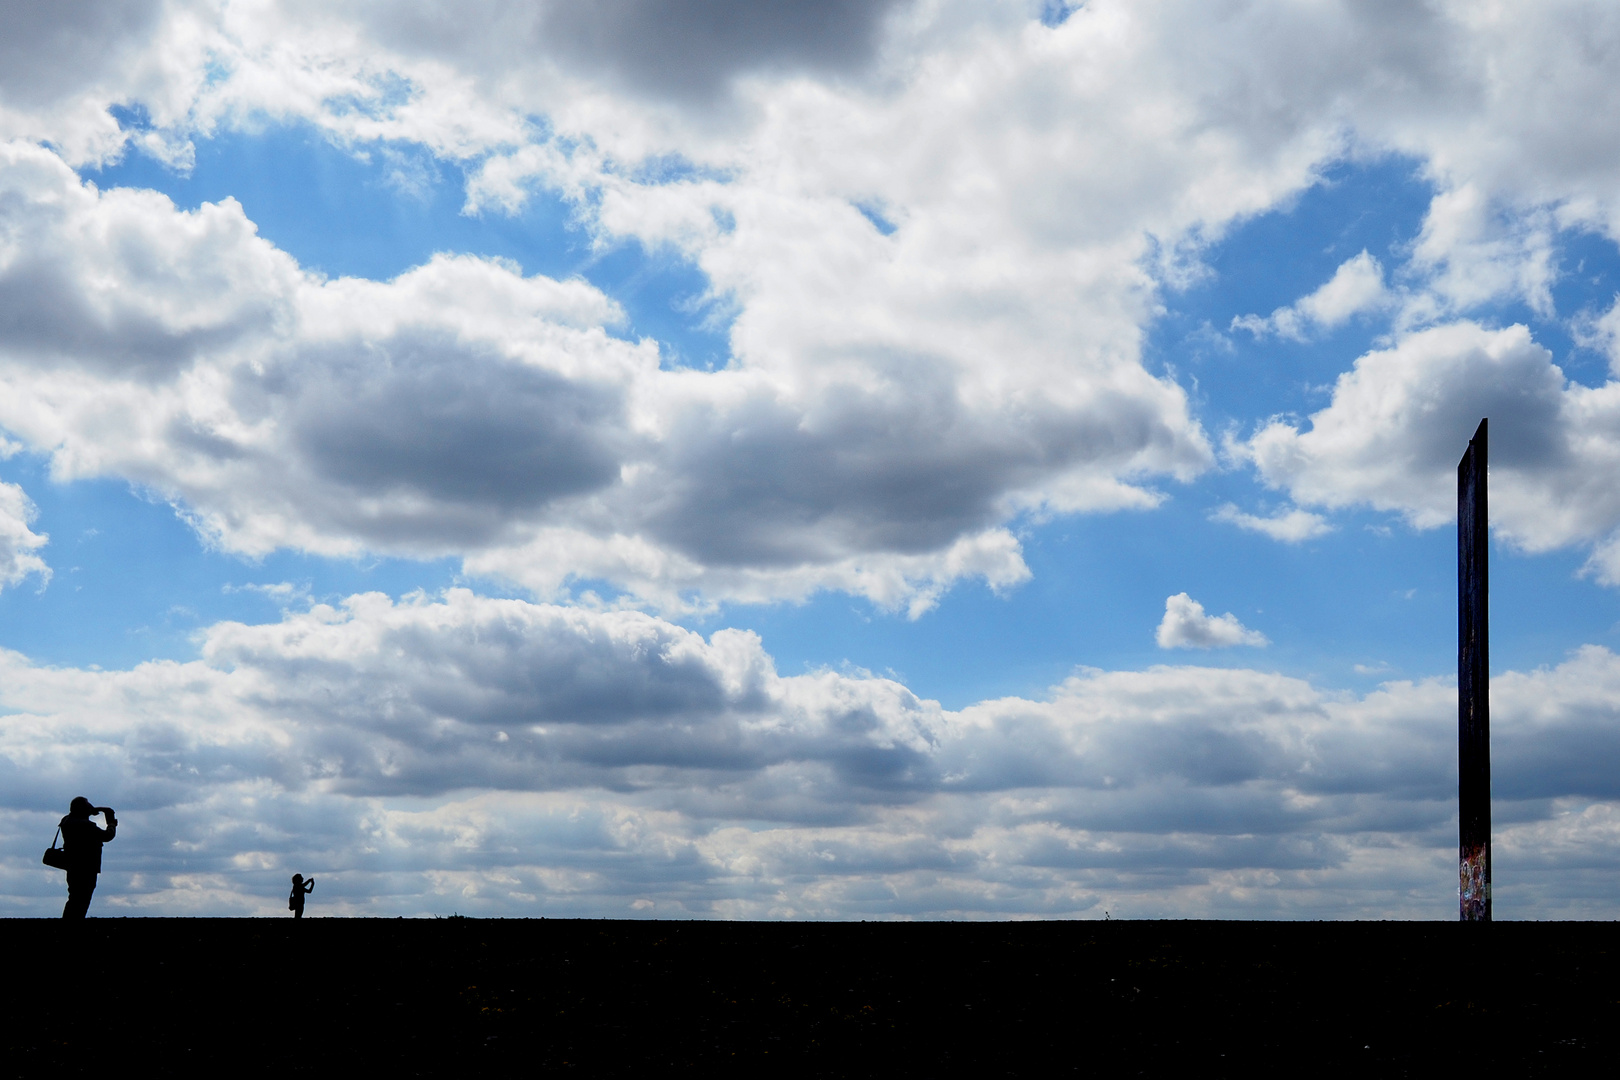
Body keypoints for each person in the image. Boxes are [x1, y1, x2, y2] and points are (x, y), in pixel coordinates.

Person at [60, 797, 116, 919]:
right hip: (86, 866)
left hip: (72, 865)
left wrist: (92, 810)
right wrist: (111, 824)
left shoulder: (67, 821)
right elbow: (107, 836)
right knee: (82, 898)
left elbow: (76, 814)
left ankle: (67, 925)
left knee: (74, 897)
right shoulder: (85, 825)